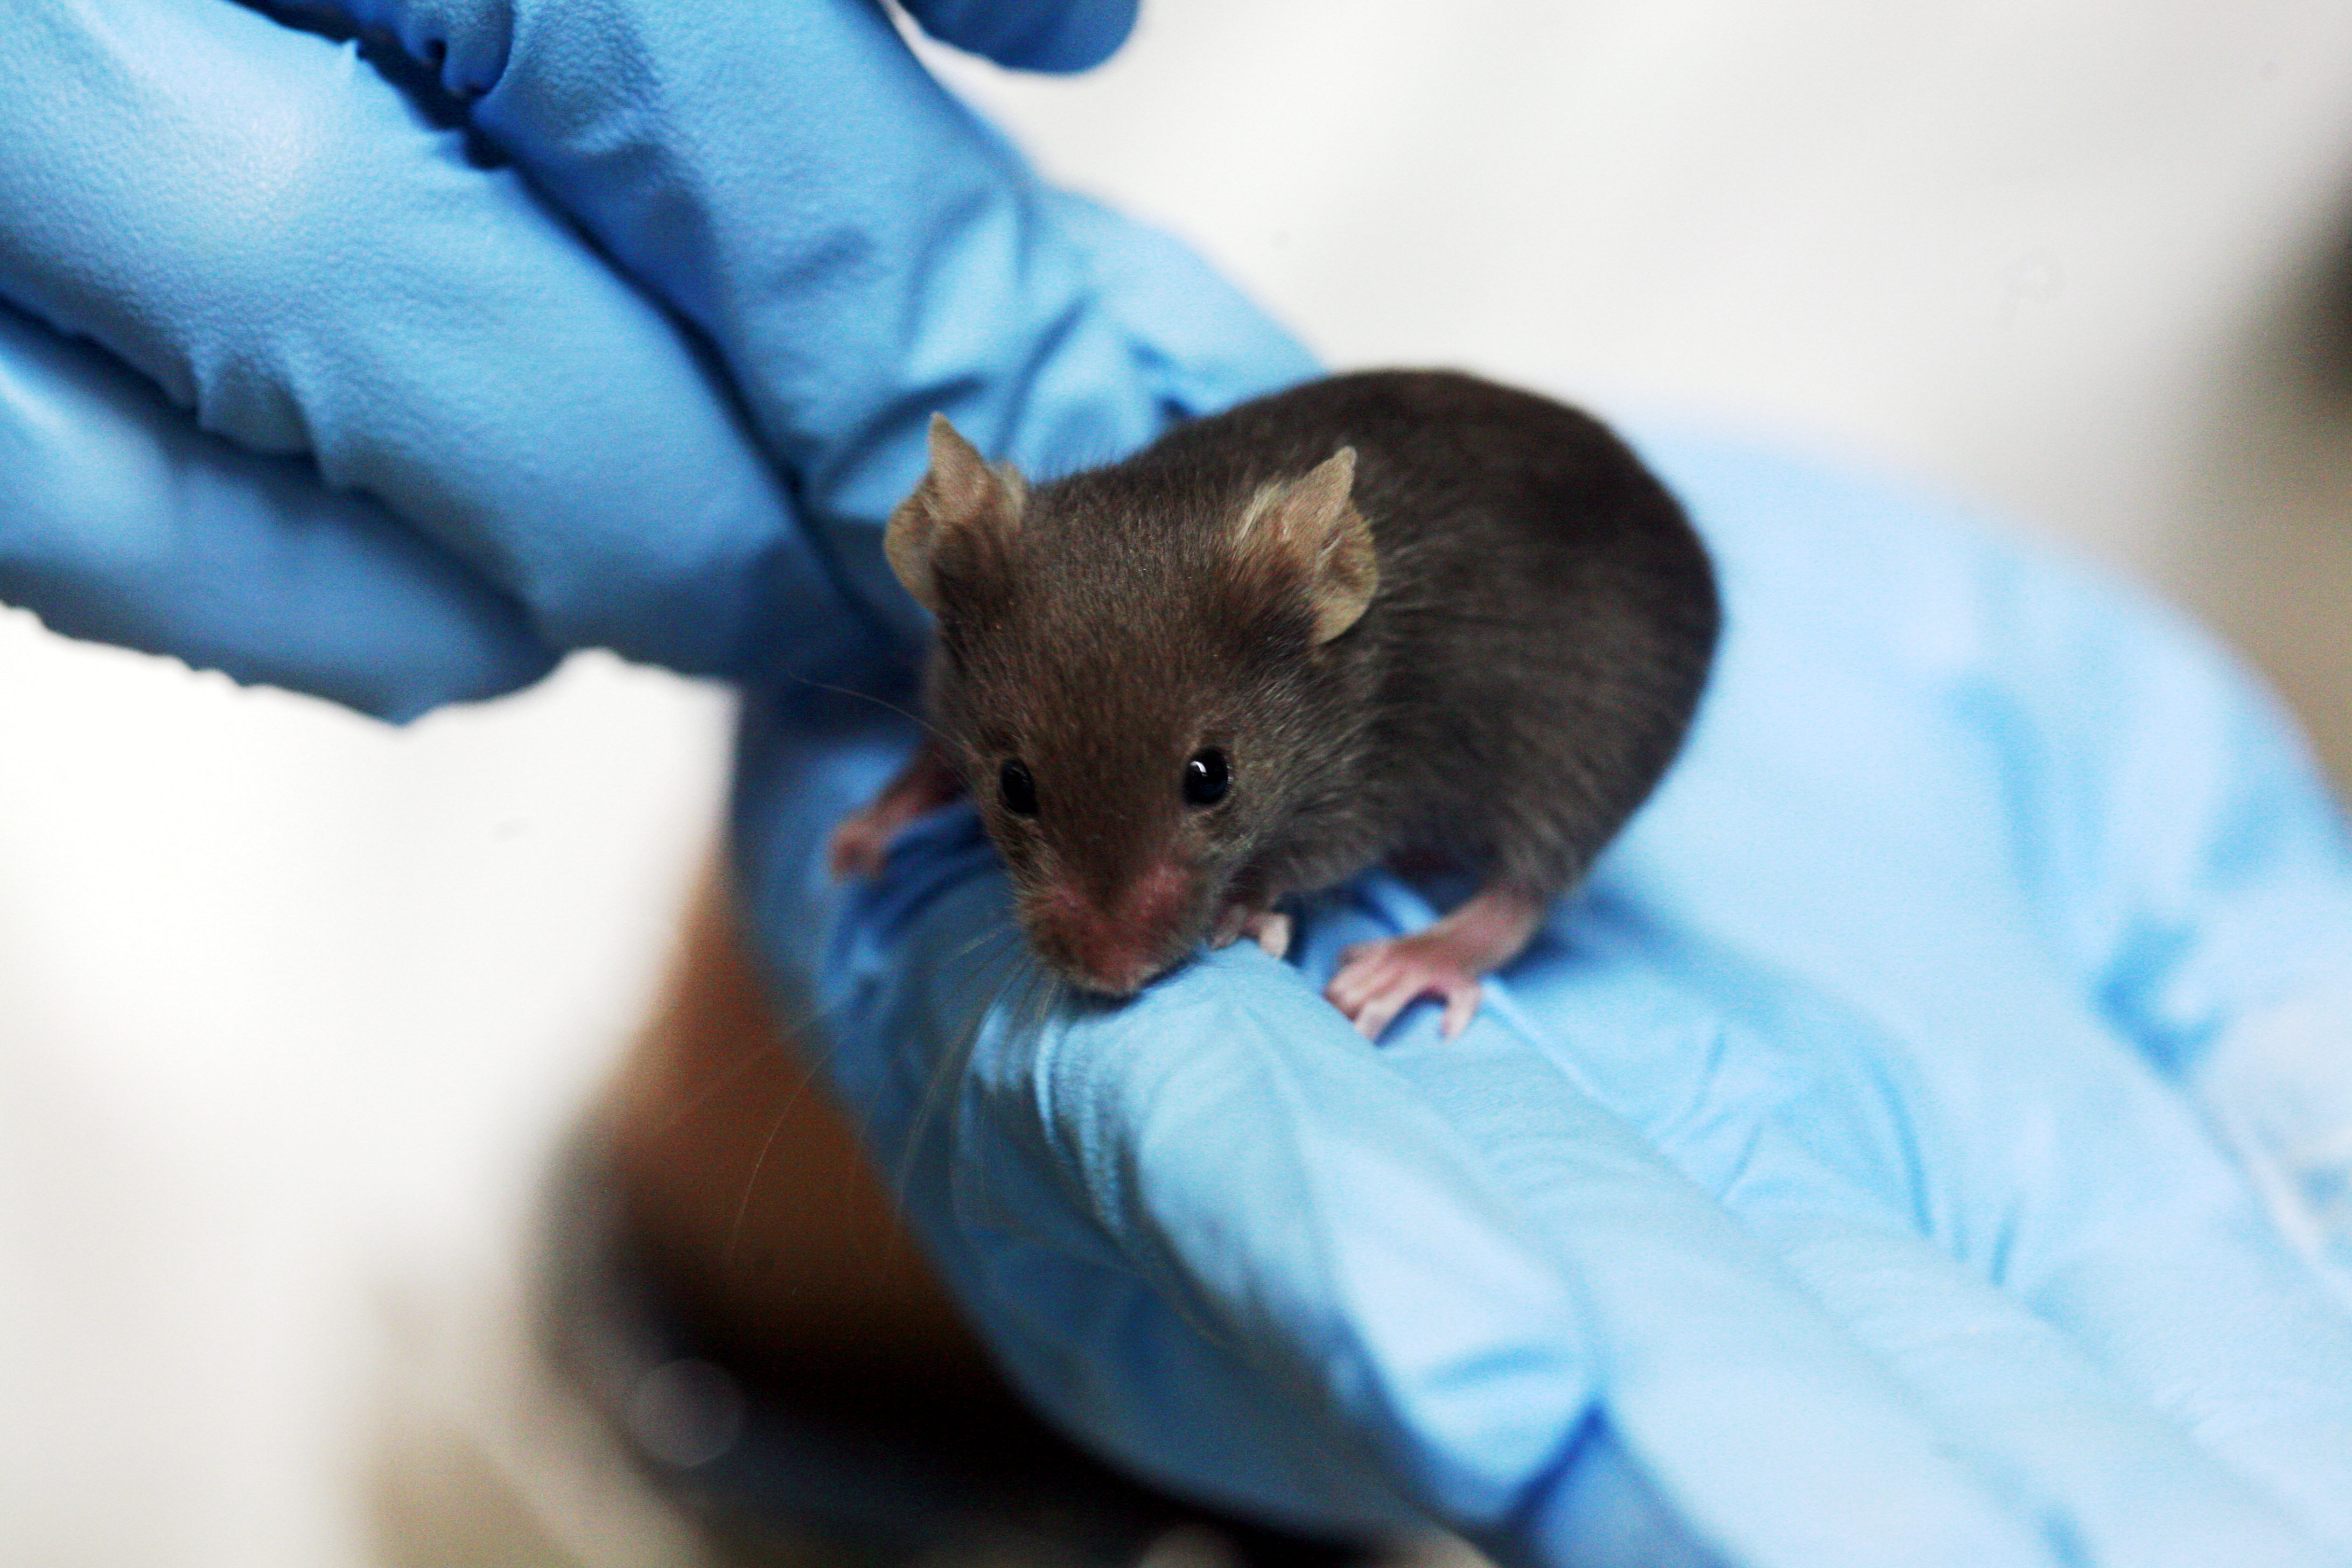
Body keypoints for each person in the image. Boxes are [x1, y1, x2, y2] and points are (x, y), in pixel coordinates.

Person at [4, 1, 2351, 1564]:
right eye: (1025, 812)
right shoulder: (1020, 631)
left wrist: (1430, 906)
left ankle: (1478, 901)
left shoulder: (1315, 671)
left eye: (1197, 817)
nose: (1117, 928)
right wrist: (792, 1203)